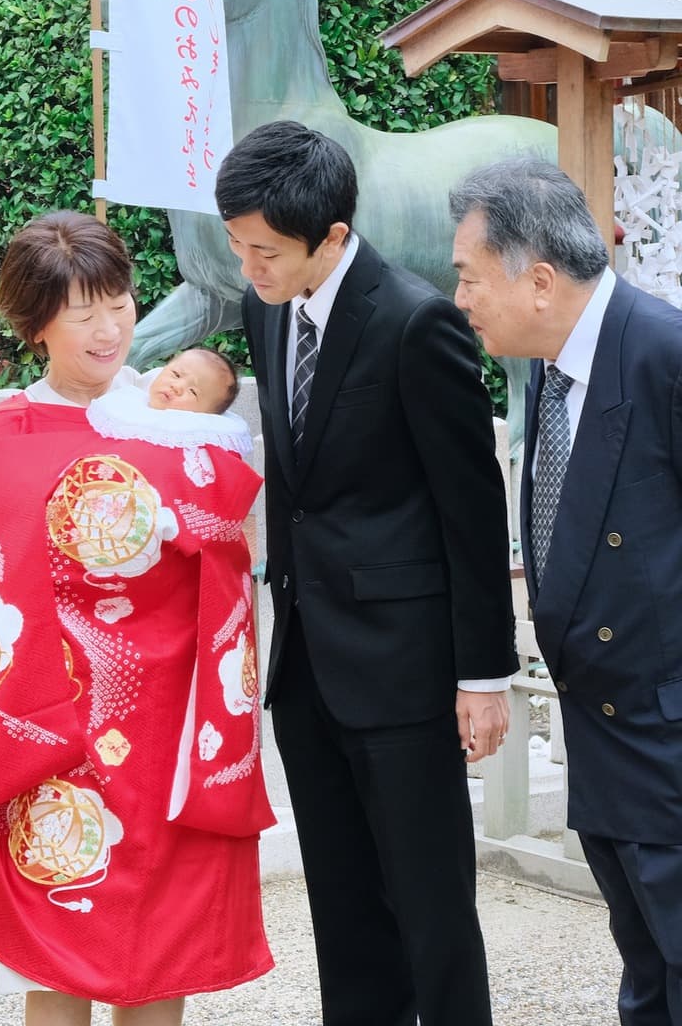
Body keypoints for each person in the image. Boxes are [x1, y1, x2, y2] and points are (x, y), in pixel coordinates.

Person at [216, 119, 517, 1026]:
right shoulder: (266, 309)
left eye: (265, 251)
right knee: (342, 911)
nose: (249, 267)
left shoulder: (416, 321)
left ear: (334, 237)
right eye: (239, 246)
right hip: (306, 663)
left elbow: (471, 509)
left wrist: (482, 674)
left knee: (430, 910)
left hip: (405, 669)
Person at [0, 210, 273, 1026]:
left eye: (121, 301)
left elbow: (228, 538)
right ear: (36, 323)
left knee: (156, 951)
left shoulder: (174, 413)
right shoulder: (9, 425)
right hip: (51, 723)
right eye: (83, 311)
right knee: (58, 941)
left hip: (165, 719)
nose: (110, 327)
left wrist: (186, 529)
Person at [450, 158, 682, 1026]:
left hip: (666, 733)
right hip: (603, 730)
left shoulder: (661, 352)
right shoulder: (553, 366)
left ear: (538, 280)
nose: (461, 298)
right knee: (648, 969)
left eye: (470, 276)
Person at [146, 346, 241, 415]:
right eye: (176, 374)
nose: (177, 387)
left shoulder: (190, 437)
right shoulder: (134, 394)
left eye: (193, 392)